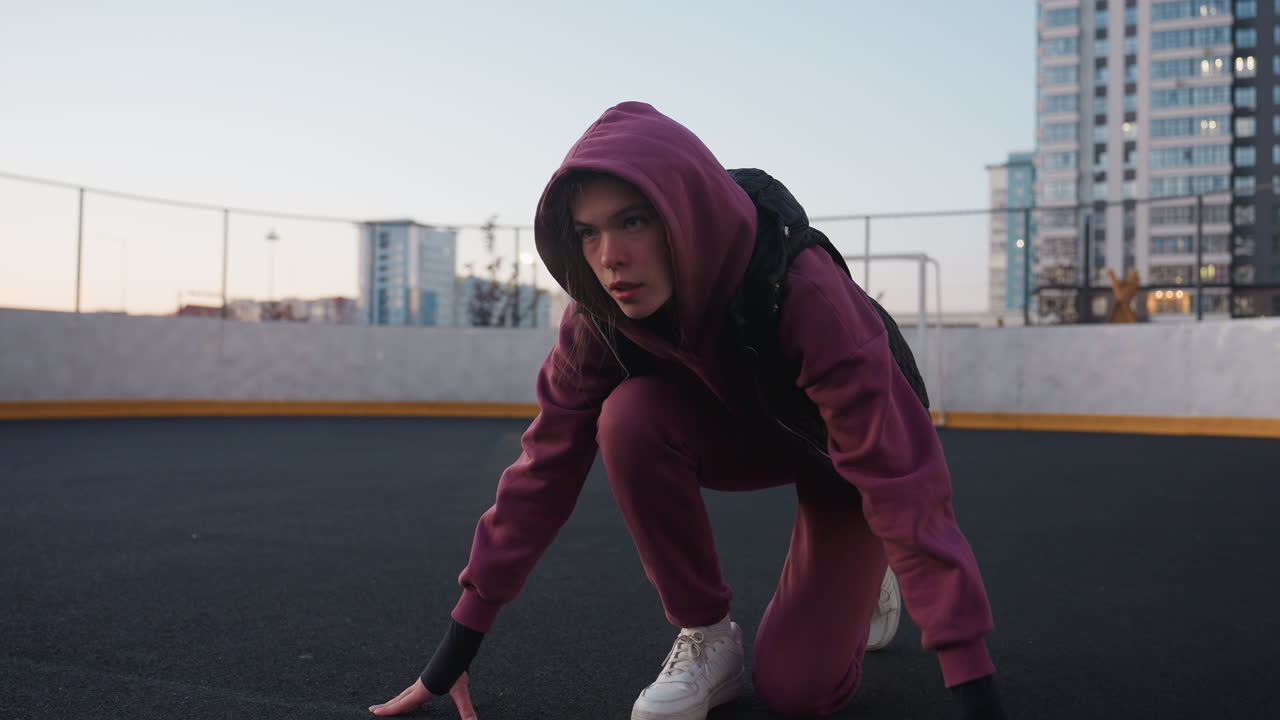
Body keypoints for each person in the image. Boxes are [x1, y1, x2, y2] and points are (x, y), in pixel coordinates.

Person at [369, 102, 1006, 720]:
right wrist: (456, 649)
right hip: (746, 426)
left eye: (633, 222)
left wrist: (970, 677)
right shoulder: (598, 317)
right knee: (628, 416)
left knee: (799, 692)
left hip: (844, 456)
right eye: (588, 232)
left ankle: (870, 569)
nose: (609, 256)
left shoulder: (802, 291)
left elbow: (901, 483)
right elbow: (543, 468)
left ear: (684, 213)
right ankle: (707, 637)